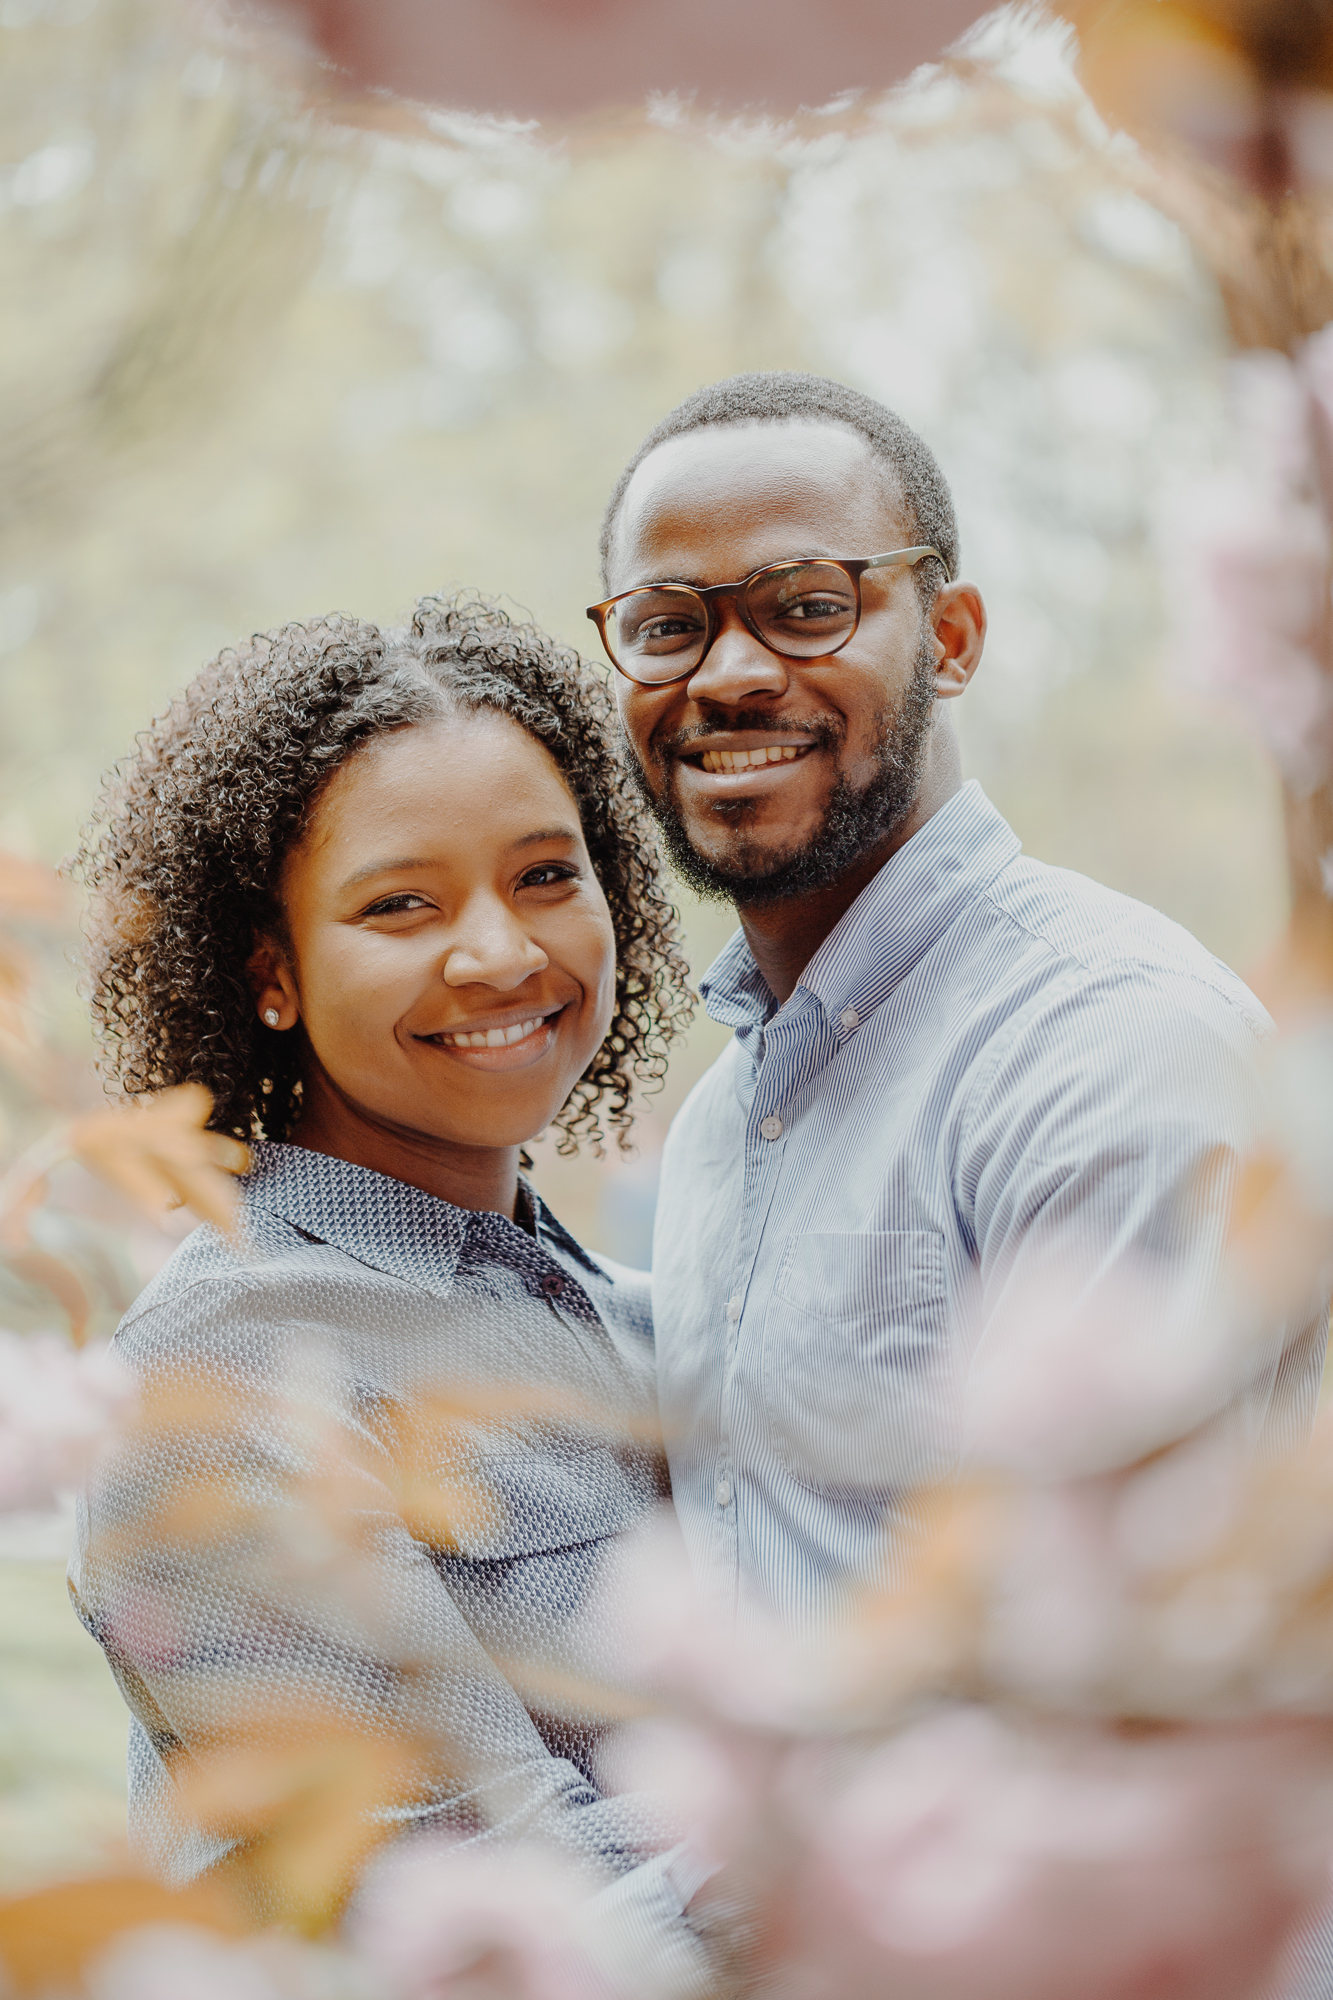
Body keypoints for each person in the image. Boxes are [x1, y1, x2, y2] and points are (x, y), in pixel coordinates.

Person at [589, 369, 1329, 1621]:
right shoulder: (726, 1117)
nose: (728, 672)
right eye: (667, 625)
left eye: (806, 605)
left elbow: (1109, 1636)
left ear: (950, 639)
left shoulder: (1105, 1043)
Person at [68, 593, 711, 1980]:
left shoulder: (647, 1315)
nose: (499, 952)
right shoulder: (222, 1373)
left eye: (546, 874)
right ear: (271, 974)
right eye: (400, 903)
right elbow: (476, 1890)